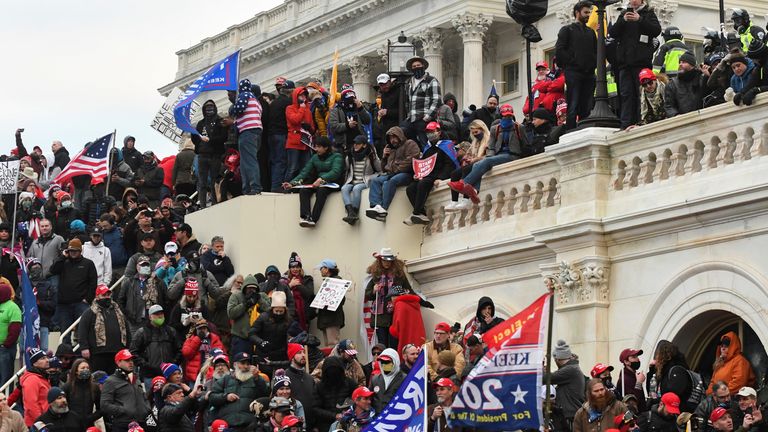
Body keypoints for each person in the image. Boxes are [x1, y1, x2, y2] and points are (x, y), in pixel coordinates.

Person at [448, 103, 522, 204]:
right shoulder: (495, 129)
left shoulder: (519, 127)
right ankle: (474, 190)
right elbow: (491, 147)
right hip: (498, 155)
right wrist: (489, 157)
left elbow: (526, 144)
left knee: (483, 161)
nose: (507, 118)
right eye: (505, 116)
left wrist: (488, 158)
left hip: (513, 155)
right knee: (479, 164)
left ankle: (464, 183)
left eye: (509, 116)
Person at [609, 0, 662, 128]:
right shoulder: (623, 15)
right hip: (624, 64)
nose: (632, 1)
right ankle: (625, 124)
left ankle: (641, 121)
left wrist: (640, 20)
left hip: (641, 63)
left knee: (641, 94)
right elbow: (613, 33)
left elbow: (656, 30)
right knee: (626, 94)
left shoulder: (648, 14)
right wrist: (623, 21)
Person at [403, 122, 458, 225]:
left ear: (439, 132)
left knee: (423, 184)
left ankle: (416, 212)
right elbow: (423, 163)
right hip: (427, 175)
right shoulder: (427, 147)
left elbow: (450, 164)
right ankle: (421, 213)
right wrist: (418, 174)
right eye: (428, 132)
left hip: (437, 175)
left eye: (432, 132)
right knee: (410, 189)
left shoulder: (447, 145)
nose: (430, 134)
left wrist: (441, 178)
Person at [282, 137, 343, 227]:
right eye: (315, 146)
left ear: (326, 147)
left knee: (321, 191)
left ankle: (314, 219)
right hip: (317, 183)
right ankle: (305, 217)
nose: (316, 149)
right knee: (304, 191)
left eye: (318, 147)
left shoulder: (337, 156)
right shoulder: (314, 157)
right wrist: (292, 183)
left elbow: (336, 172)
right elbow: (304, 172)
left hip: (333, 183)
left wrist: (322, 179)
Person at [556, 1, 597, 130]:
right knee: (573, 104)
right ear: (577, 13)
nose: (588, 15)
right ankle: (571, 130)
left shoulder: (591, 32)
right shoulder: (567, 30)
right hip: (574, 72)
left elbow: (596, 51)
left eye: (589, 13)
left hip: (589, 73)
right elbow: (560, 50)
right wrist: (573, 62)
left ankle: (584, 128)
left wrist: (592, 64)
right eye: (585, 12)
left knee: (587, 104)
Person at [365, 126, 420, 222]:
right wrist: (384, 157)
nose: (392, 140)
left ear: (400, 136)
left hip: (406, 173)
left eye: (394, 137)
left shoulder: (410, 144)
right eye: (390, 138)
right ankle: (376, 206)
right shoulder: (391, 149)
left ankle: (383, 208)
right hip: (391, 173)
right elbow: (383, 168)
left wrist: (396, 169)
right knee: (375, 180)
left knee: (390, 182)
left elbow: (412, 159)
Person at [50, 238, 98, 344]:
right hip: (64, 304)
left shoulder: (88, 263)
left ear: (80, 251)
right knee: (65, 332)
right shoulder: (63, 262)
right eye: (71, 251)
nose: (73, 253)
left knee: (83, 330)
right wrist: (62, 256)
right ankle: (66, 355)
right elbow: (53, 270)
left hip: (81, 303)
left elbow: (93, 283)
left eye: (75, 251)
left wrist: (88, 299)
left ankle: (82, 353)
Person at [365, 249, 413, 348]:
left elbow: (408, 290)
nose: (387, 263)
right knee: (382, 345)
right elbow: (368, 295)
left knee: (394, 344)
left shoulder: (399, 275)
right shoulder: (375, 276)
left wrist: (421, 300)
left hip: (395, 315)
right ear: (380, 261)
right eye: (384, 260)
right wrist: (374, 290)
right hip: (380, 317)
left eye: (389, 261)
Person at [209, 352, 270, 429]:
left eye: (248, 364)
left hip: (249, 424)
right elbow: (212, 397)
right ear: (235, 365)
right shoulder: (225, 379)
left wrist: (257, 378)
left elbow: (266, 394)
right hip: (227, 424)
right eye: (243, 363)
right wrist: (226, 397)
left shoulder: (256, 379)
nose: (246, 366)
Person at [79, 284, 130, 374]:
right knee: (98, 379)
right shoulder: (89, 312)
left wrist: (128, 346)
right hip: (98, 353)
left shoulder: (118, 312)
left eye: (108, 295)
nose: (107, 297)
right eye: (103, 295)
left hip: (117, 352)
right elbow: (82, 330)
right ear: (97, 296)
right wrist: (84, 347)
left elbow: (126, 329)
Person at [100, 349, 150, 432]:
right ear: (118, 362)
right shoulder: (110, 381)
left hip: (141, 422)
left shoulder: (135, 379)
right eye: (127, 360)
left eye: (131, 360)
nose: (131, 362)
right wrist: (123, 410)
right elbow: (104, 405)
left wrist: (146, 409)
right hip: (123, 425)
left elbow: (144, 397)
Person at [130, 304, 182, 384]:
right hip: (150, 375)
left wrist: (173, 364)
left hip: (170, 375)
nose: (160, 316)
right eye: (156, 314)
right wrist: (146, 365)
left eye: (161, 314)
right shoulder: (142, 332)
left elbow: (180, 350)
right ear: (150, 317)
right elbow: (133, 352)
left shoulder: (171, 331)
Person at [445, 121, 489, 212]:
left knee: (466, 170)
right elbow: (468, 154)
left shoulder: (489, 140)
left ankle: (465, 199)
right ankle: (454, 201)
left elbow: (488, 156)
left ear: (482, 129)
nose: (475, 135)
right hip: (473, 163)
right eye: (473, 133)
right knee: (454, 174)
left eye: (476, 132)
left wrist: (475, 160)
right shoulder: (474, 142)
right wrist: (467, 159)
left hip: (481, 163)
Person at [191, 99, 228, 208]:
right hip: (202, 155)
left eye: (211, 106)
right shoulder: (200, 123)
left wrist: (210, 140)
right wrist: (196, 138)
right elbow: (195, 138)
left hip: (214, 155)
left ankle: (215, 203)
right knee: (202, 182)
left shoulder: (220, 121)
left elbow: (223, 137)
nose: (209, 109)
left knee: (213, 180)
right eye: (207, 107)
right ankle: (202, 205)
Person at [118, 255, 167, 335]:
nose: (145, 267)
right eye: (142, 265)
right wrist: (128, 315)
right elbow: (120, 300)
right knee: (135, 344)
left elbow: (166, 300)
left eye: (147, 265)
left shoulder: (158, 282)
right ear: (137, 267)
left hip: (153, 321)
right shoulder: (129, 282)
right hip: (134, 322)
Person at [231, 78, 264, 195]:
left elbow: (239, 108)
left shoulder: (245, 95)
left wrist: (232, 109)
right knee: (246, 161)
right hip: (256, 132)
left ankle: (254, 187)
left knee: (249, 161)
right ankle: (248, 187)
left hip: (247, 131)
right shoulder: (256, 101)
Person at [341, 135, 381, 225]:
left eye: (358, 144)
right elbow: (347, 170)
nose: (355, 145)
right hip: (352, 180)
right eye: (355, 143)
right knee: (344, 188)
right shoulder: (350, 156)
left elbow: (379, 169)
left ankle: (354, 212)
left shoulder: (370, 156)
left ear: (364, 145)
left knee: (357, 188)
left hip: (364, 181)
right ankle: (350, 212)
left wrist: (375, 156)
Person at [545, 339, 586, 427]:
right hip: (572, 415)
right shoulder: (572, 368)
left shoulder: (570, 370)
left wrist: (537, 369)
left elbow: (547, 378)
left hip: (571, 416)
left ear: (557, 359)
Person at [249, 291, 298, 362]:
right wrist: (260, 342)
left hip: (281, 355)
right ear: (272, 309)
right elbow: (252, 334)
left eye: (281, 311)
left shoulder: (289, 320)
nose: (278, 313)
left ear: (285, 310)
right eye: (276, 311)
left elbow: (296, 335)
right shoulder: (263, 317)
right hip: (263, 353)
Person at [404, 56, 442, 147]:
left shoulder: (431, 80)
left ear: (423, 66)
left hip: (424, 118)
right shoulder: (408, 82)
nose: (416, 67)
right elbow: (407, 101)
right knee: (402, 132)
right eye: (414, 66)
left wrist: (427, 117)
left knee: (424, 142)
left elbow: (437, 100)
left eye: (418, 65)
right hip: (411, 118)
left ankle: (427, 157)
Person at [227, 274, 266, 356]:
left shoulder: (260, 297)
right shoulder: (236, 296)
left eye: (254, 288)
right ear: (244, 288)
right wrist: (245, 304)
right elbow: (231, 313)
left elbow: (269, 311)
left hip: (257, 338)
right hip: (240, 338)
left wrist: (259, 300)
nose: (251, 290)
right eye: (249, 288)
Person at [283, 343, 319, 428]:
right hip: (293, 426)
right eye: (299, 353)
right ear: (292, 357)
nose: (303, 355)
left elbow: (315, 401)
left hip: (311, 425)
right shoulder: (285, 376)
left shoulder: (309, 378)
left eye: (303, 352)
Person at [284, 86, 315, 181]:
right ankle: (287, 186)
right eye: (301, 95)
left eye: (305, 95)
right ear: (296, 96)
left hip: (305, 143)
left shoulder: (308, 111)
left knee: (306, 168)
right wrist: (301, 109)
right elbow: (295, 120)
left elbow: (312, 127)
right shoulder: (290, 108)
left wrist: (310, 128)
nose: (303, 98)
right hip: (294, 142)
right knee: (293, 168)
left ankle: (302, 187)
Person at [313, 259, 345, 346]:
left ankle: (334, 360)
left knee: (333, 345)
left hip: (331, 319)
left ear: (327, 269)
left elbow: (340, 301)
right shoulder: (329, 282)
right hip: (327, 319)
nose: (320, 270)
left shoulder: (336, 282)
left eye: (321, 268)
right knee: (328, 346)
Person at [329, 87, 371, 152]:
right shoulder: (336, 110)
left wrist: (361, 108)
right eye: (349, 100)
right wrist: (347, 125)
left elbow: (367, 121)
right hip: (343, 145)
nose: (351, 102)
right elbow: (333, 126)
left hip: (359, 144)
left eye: (353, 99)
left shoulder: (358, 108)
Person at [61, 358, 101, 426]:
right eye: (82, 368)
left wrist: (92, 418)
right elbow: (62, 406)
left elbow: (101, 408)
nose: (86, 370)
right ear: (76, 371)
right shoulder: (67, 387)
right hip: (71, 425)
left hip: (88, 424)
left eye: (87, 368)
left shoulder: (94, 387)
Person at [281, 253, 315, 331]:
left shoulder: (307, 279)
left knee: (303, 340)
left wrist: (298, 284)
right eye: (293, 267)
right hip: (289, 316)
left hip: (303, 316)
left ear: (300, 268)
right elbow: (280, 296)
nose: (295, 269)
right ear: (289, 268)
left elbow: (309, 294)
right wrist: (290, 285)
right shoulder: (284, 280)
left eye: (297, 267)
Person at [664, 53, 706, 118]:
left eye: (683, 62)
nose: (680, 64)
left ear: (692, 65)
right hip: (683, 123)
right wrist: (675, 115)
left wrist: (708, 76)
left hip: (702, 119)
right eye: (679, 62)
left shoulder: (701, 79)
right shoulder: (672, 84)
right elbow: (669, 106)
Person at [28, 258, 56, 352]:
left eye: (38, 267)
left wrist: (40, 303)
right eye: (34, 267)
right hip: (27, 323)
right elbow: (19, 302)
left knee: (44, 348)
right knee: (27, 350)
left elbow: (53, 304)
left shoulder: (48, 285)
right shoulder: (24, 285)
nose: (36, 269)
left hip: (43, 321)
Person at [21, 348, 51, 427]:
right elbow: (31, 405)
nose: (47, 360)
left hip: (45, 421)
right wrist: (41, 423)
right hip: (36, 425)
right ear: (34, 363)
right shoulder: (32, 379)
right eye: (43, 358)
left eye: (47, 357)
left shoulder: (43, 377)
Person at [371, 348, 405, 412]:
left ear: (395, 361)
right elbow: (370, 399)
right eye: (382, 362)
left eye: (387, 362)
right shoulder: (375, 379)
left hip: (396, 417)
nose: (384, 365)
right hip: (377, 418)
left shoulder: (404, 379)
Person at [0, 283, 20, 387]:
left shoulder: (13, 307)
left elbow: (15, 330)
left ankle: (4, 400)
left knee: (5, 378)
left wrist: (6, 344)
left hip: (5, 349)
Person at [615, 348, 647, 412]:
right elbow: (633, 402)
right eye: (634, 357)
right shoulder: (624, 379)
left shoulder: (634, 375)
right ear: (626, 362)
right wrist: (639, 383)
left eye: (637, 356)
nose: (637, 359)